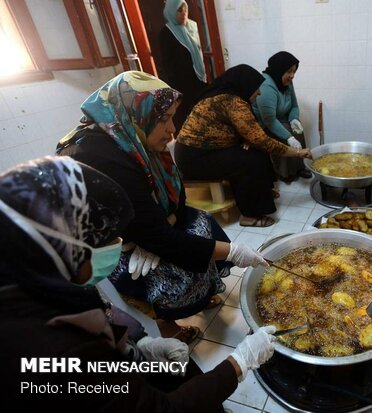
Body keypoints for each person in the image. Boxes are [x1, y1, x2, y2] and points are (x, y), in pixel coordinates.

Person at [0, 156, 277, 411]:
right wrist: (239, 363)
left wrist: (140, 346)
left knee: (181, 373)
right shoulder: (46, 350)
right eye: (106, 239)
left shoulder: (38, 283)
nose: (116, 246)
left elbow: (102, 319)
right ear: (66, 246)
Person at [57, 71, 267, 343]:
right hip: (105, 247)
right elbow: (154, 236)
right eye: (165, 119)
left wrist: (166, 223)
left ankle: (201, 295)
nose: (173, 130)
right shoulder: (98, 158)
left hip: (144, 222)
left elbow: (175, 194)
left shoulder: (131, 135)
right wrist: (235, 252)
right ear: (137, 115)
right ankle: (166, 322)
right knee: (171, 271)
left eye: (172, 117)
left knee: (202, 224)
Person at [174, 64, 312, 228]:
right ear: (246, 86)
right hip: (195, 158)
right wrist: (298, 152)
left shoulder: (226, 96)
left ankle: (262, 192)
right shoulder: (232, 102)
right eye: (256, 89)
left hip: (206, 151)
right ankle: (249, 216)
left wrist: (247, 139)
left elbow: (246, 132)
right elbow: (263, 141)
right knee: (247, 161)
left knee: (255, 150)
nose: (259, 93)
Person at [252, 51, 312, 182]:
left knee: (298, 129)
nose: (292, 76)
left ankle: (299, 167)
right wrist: (289, 137)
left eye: (294, 72)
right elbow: (269, 120)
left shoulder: (286, 82)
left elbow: (294, 106)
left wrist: (294, 118)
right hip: (264, 123)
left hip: (281, 118)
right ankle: (285, 173)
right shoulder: (266, 86)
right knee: (286, 134)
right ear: (279, 69)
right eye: (289, 71)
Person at [159, 0, 208, 131]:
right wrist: (172, 90)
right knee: (187, 119)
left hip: (199, 79)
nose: (183, 13)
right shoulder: (166, 33)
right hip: (181, 84)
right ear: (171, 12)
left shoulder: (193, 27)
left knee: (205, 113)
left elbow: (201, 52)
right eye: (179, 10)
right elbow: (166, 64)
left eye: (184, 9)